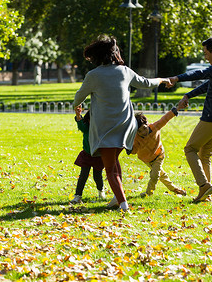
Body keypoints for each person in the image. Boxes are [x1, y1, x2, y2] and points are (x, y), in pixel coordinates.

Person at [73, 34, 171, 212]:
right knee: (114, 164)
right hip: (126, 128)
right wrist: (162, 80)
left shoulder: (93, 75)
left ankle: (123, 205)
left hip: (106, 130)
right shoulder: (125, 71)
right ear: (114, 54)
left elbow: (78, 98)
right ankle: (117, 199)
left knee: (110, 170)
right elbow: (146, 83)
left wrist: (77, 107)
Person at [165, 37, 212, 203]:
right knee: (204, 155)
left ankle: (204, 185)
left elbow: (200, 73)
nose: (205, 57)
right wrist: (188, 95)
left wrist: (176, 79)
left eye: (206, 53)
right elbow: (208, 85)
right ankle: (206, 195)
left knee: (190, 149)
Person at [131, 108, 187, 197]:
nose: (143, 132)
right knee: (161, 175)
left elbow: (163, 120)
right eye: (139, 131)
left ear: (147, 124)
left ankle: (148, 193)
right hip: (147, 160)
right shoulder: (136, 138)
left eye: (144, 129)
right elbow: (134, 150)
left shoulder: (154, 127)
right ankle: (175, 189)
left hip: (158, 155)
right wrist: (129, 150)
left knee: (154, 176)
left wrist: (172, 112)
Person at [70, 105, 105, 204]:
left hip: (98, 156)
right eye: (90, 120)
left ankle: (101, 190)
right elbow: (81, 125)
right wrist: (78, 115)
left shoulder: (101, 131)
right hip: (87, 155)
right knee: (83, 176)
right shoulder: (86, 128)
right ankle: (77, 196)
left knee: (97, 176)